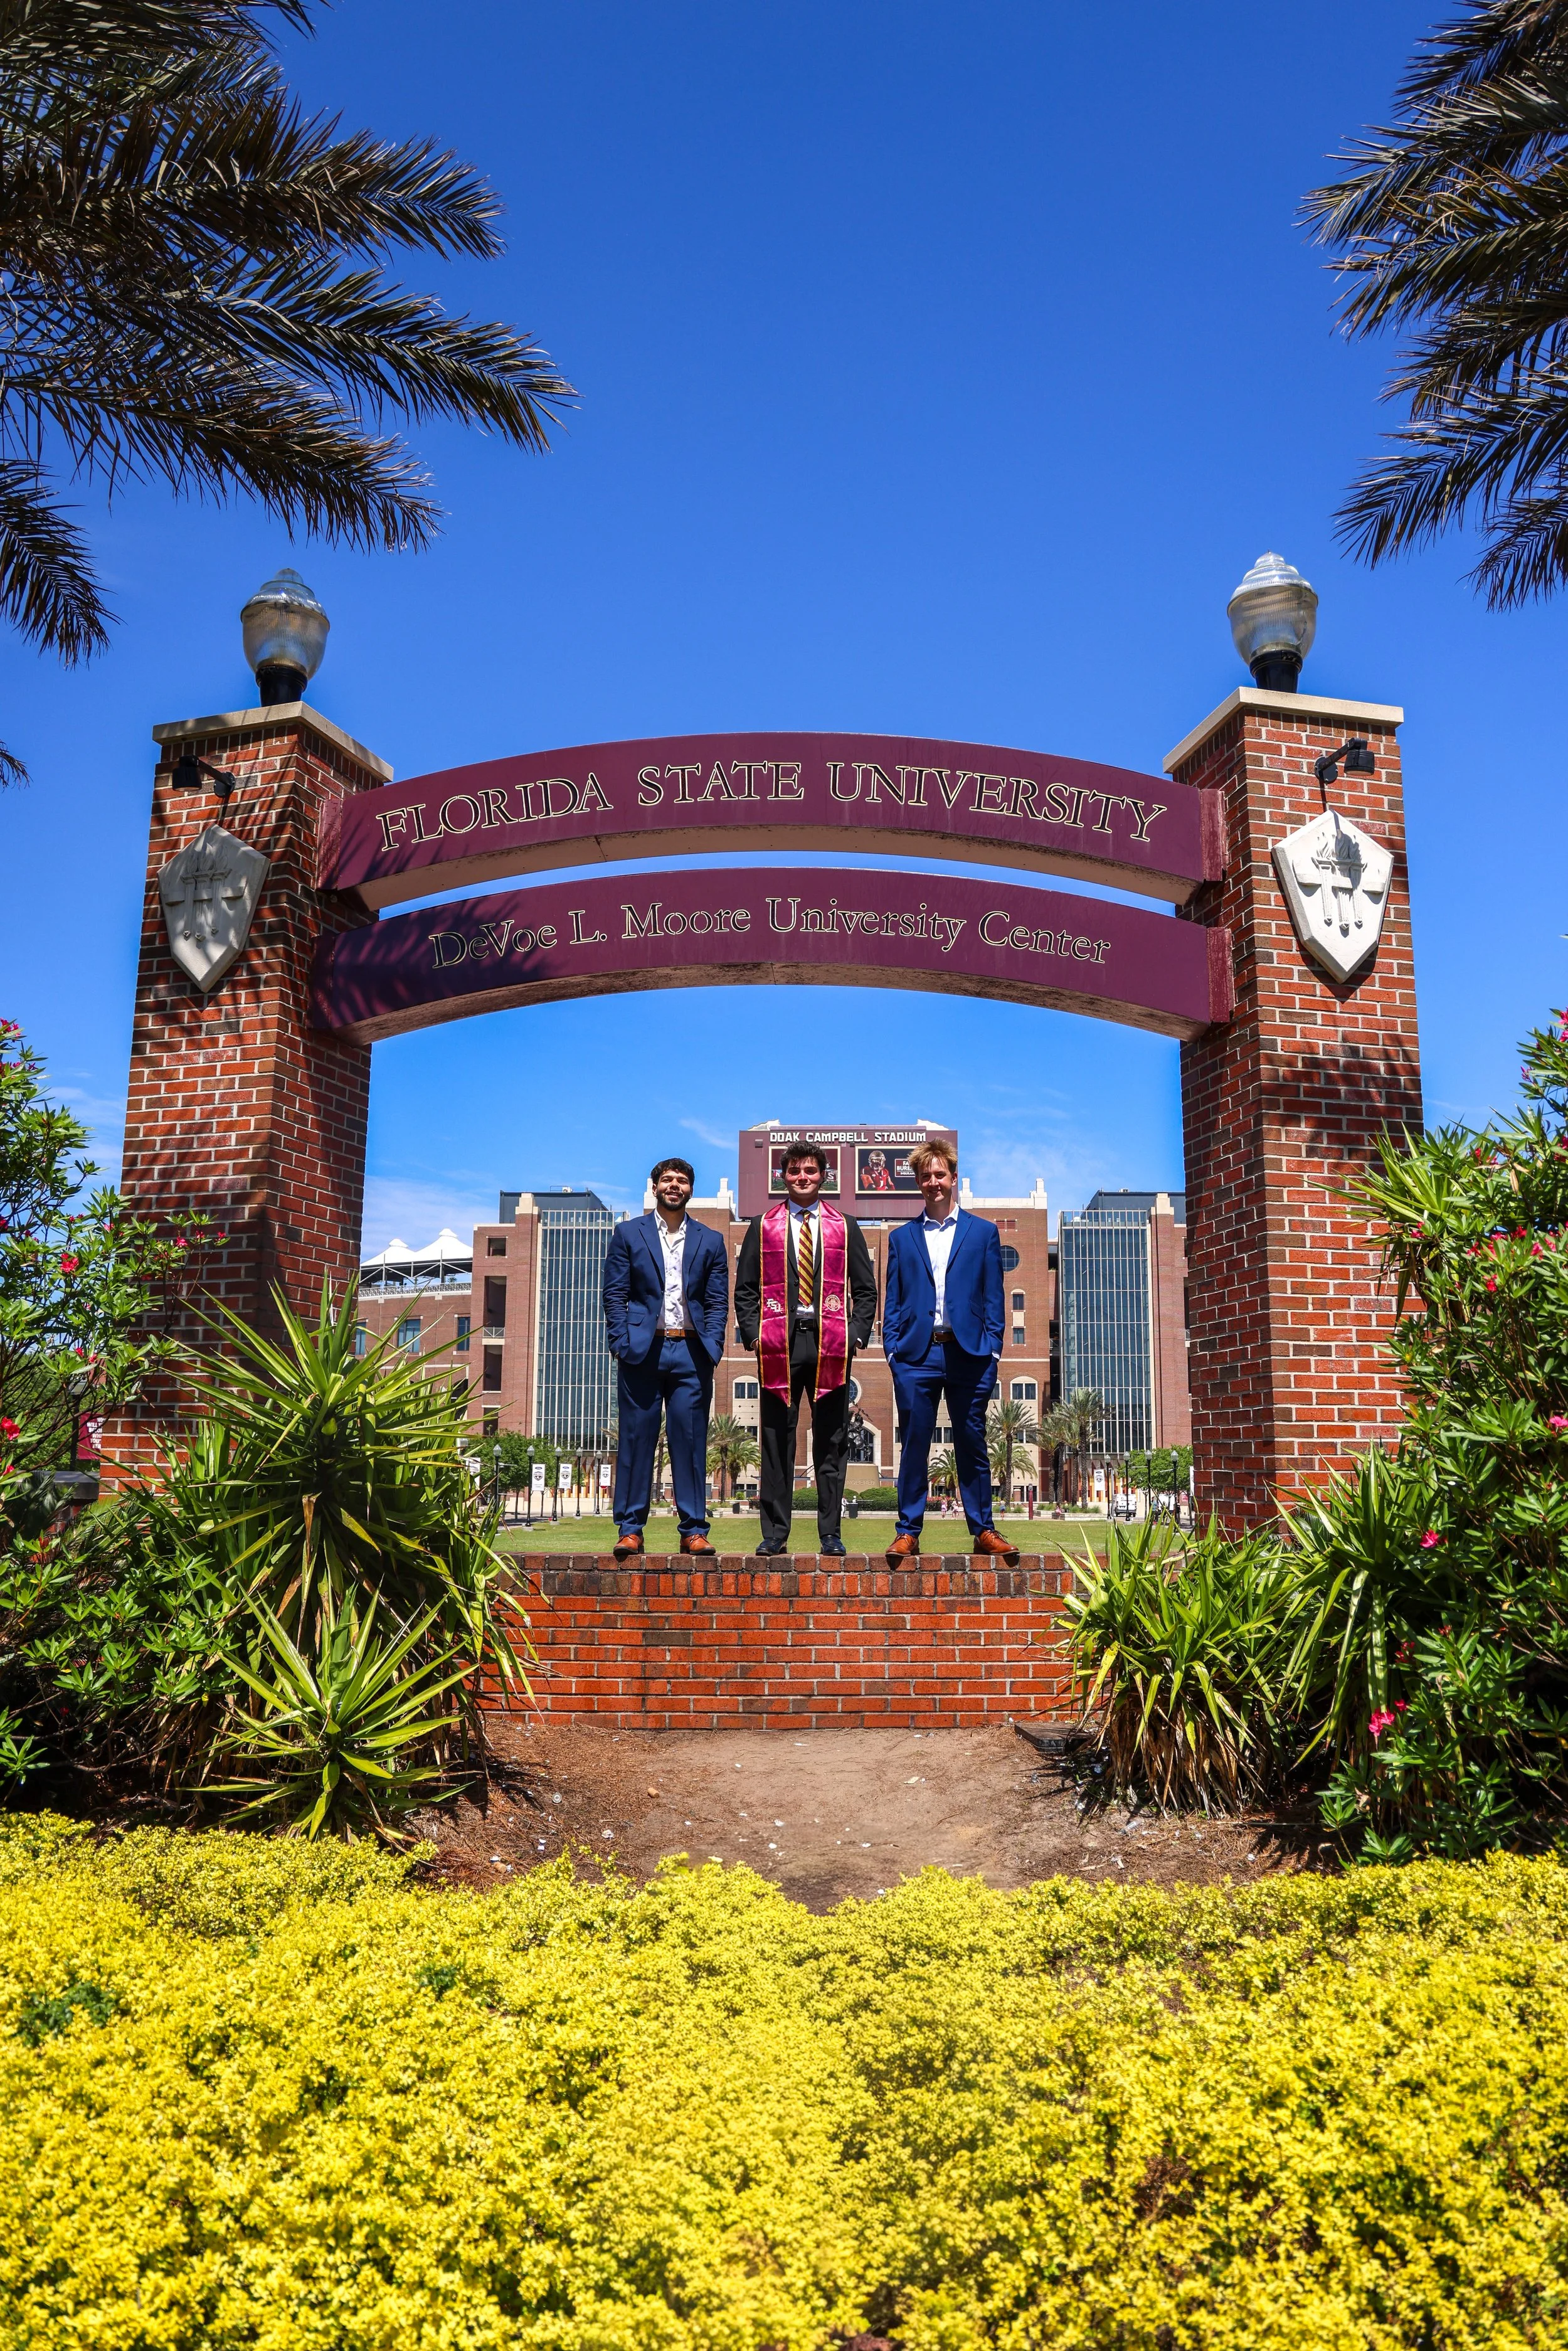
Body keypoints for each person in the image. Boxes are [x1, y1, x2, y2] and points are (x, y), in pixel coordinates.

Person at [734, 1140, 877, 1555]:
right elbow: (745, 1288)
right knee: (777, 1440)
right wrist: (753, 1334)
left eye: (810, 1171)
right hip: (778, 1343)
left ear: (823, 1176)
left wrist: (857, 1334)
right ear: (784, 1176)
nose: (802, 1177)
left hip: (830, 1343)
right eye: (794, 1170)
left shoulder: (844, 1225)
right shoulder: (763, 1225)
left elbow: (865, 1289)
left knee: (832, 1440)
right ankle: (775, 1535)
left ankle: (830, 1534)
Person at [881, 1140, 1019, 1566]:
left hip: (970, 1355)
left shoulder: (982, 1233)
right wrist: (892, 1351)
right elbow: (895, 1300)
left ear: (954, 1179)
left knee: (972, 1442)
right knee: (915, 1442)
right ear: (919, 1183)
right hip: (917, 1356)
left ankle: (983, 1530)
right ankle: (908, 1532)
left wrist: (994, 1349)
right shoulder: (902, 1239)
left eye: (941, 1175)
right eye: (926, 1176)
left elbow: (993, 1296)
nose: (934, 1183)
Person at [601, 1156, 729, 1560]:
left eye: (683, 1181)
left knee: (690, 1442)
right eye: (668, 1180)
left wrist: (713, 1344)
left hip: (692, 1352)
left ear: (691, 1189)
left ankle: (693, 1530)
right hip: (643, 1350)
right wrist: (621, 1341)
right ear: (654, 1186)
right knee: (637, 1439)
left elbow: (716, 1300)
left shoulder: (711, 1240)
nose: (675, 1185)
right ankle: (631, 1529)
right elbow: (615, 1294)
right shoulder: (628, 1234)